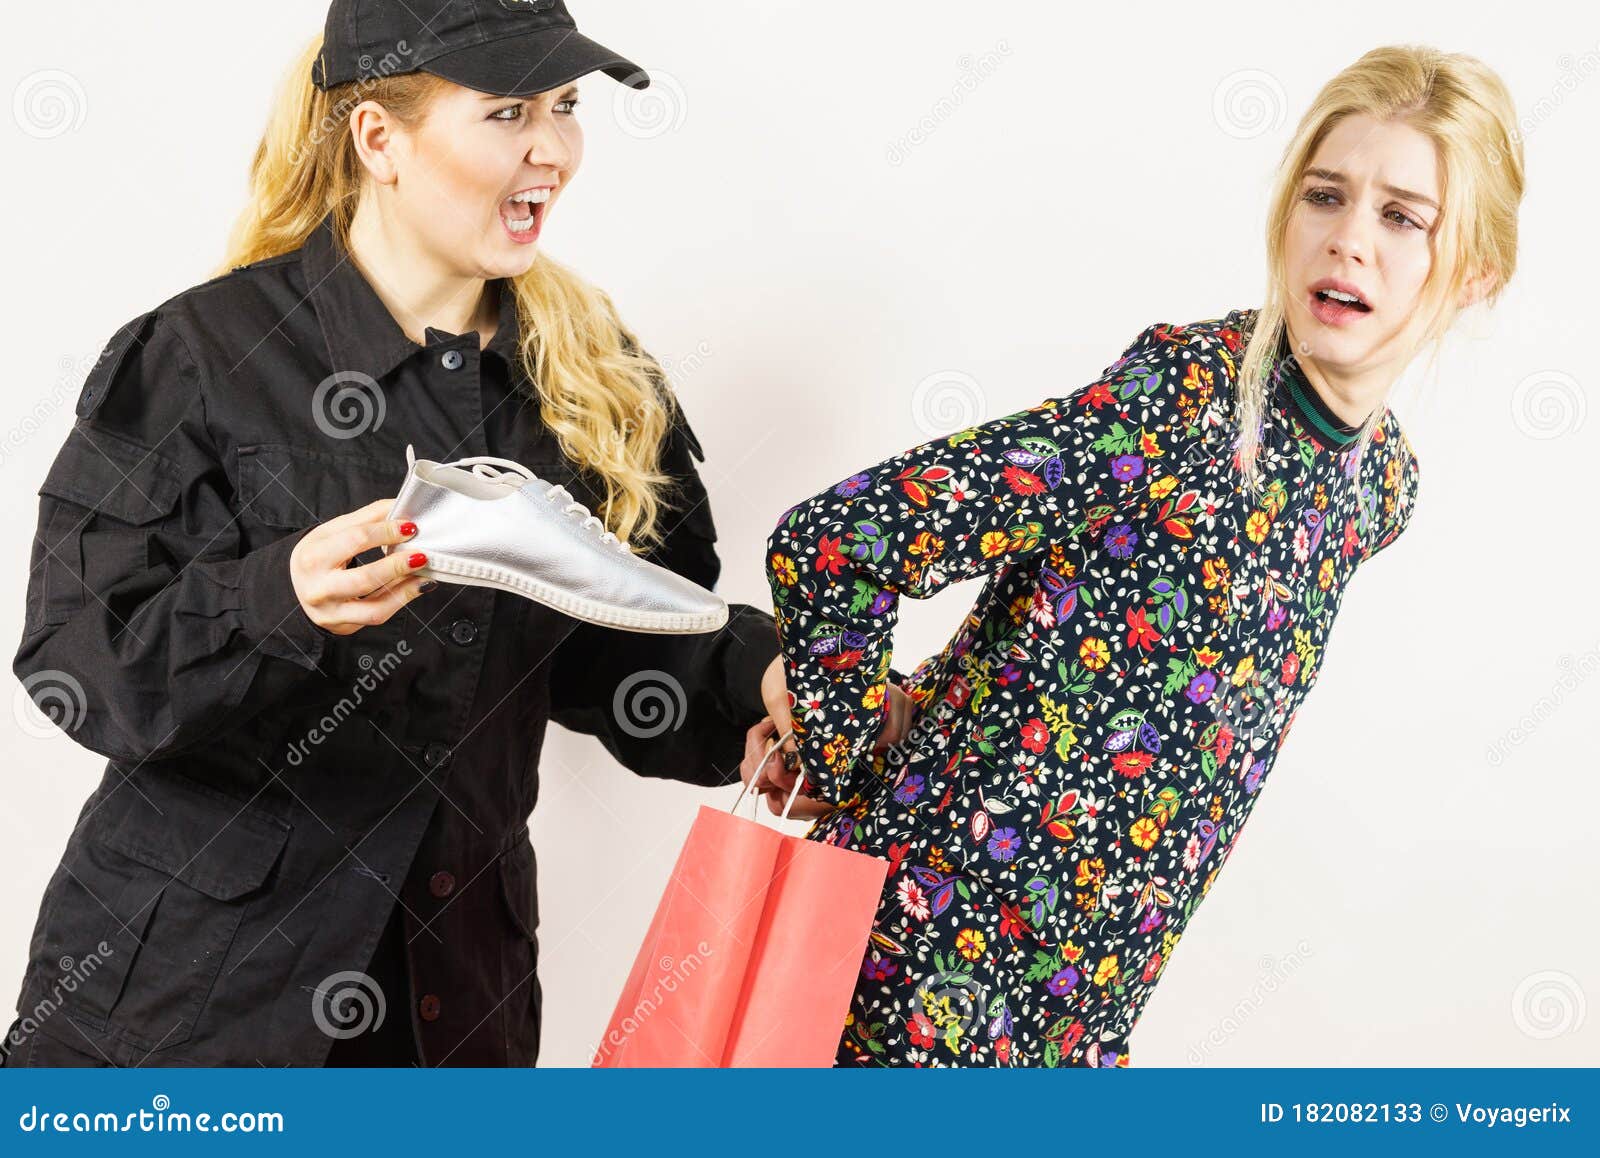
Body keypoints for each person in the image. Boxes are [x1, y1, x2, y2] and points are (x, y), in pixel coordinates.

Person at [2, 0, 845, 1068]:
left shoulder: (598, 387)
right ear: (379, 139)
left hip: (452, 1014)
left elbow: (622, 645)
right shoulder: (199, 357)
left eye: (566, 106)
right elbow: (79, 657)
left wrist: (758, 693)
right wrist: (277, 599)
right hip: (185, 1020)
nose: (554, 148)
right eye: (505, 111)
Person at [748, 44, 1523, 1067]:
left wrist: (923, 699)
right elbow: (840, 541)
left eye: (1400, 217)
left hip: (1077, 1029)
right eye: (1325, 196)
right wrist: (844, 758)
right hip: (911, 987)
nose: (1346, 243)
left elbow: (1088, 642)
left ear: (1473, 273)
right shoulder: (1184, 399)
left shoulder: (1379, 488)